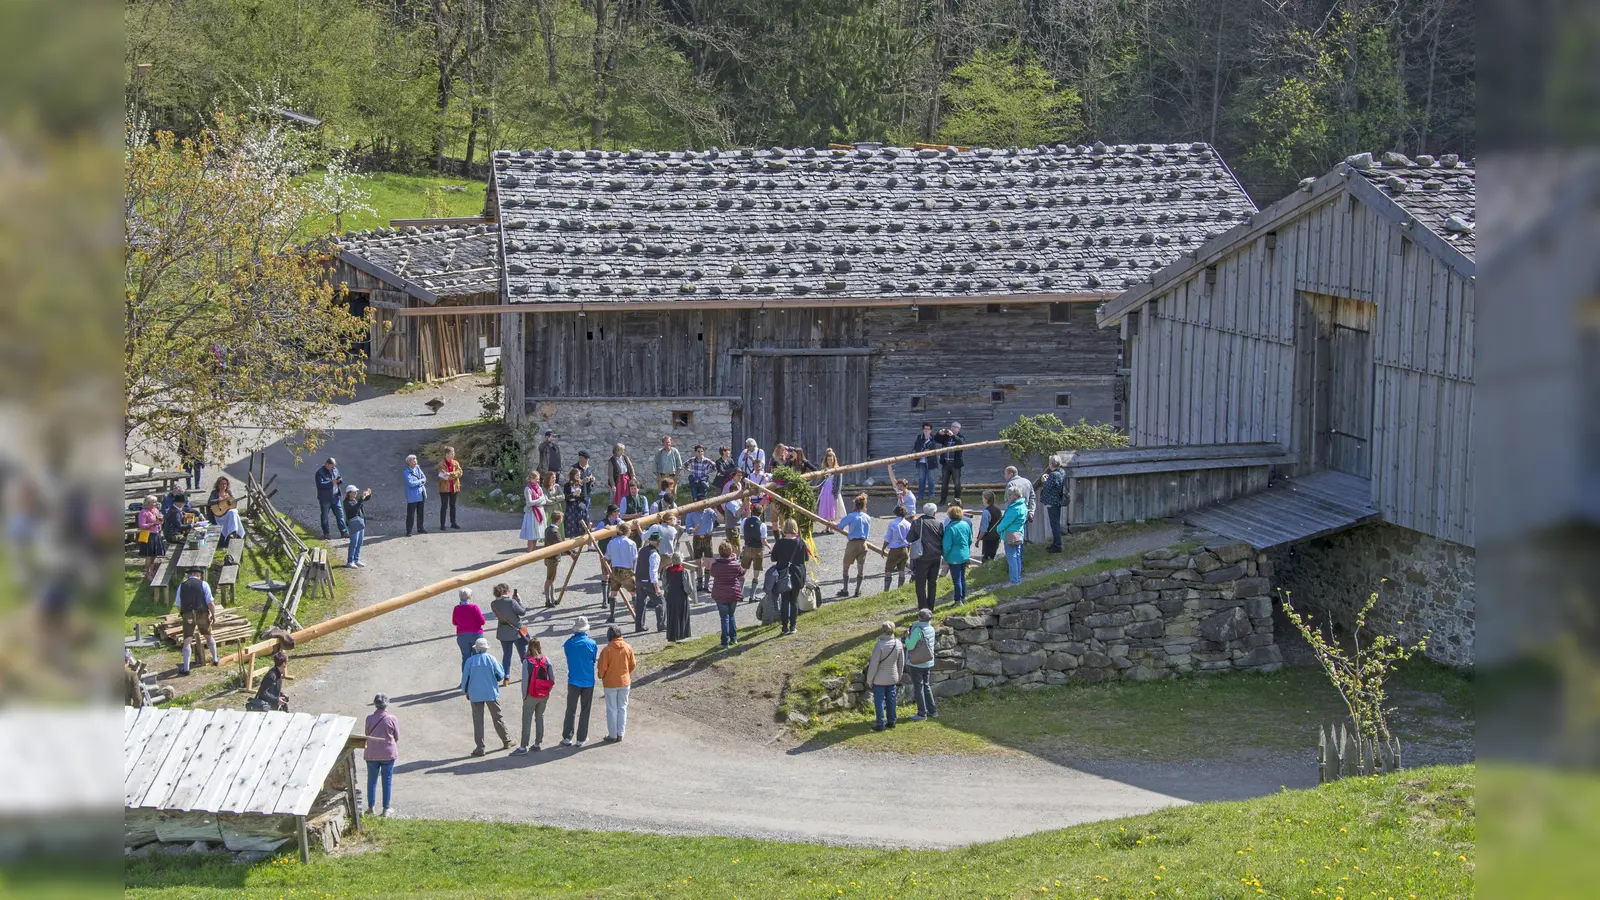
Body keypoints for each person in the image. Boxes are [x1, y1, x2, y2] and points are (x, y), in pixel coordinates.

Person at [460, 637, 511, 757]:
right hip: (490, 692)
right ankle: (506, 741)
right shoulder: (491, 659)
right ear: (486, 648)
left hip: (475, 694)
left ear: (476, 649)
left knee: (478, 721)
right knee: (498, 717)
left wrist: (466, 691)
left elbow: (465, 679)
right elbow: (500, 675)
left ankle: (480, 748)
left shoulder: (470, 661)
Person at [512, 638, 555, 755]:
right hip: (543, 694)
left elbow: (525, 681)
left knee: (527, 720)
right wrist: (547, 691)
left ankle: (523, 747)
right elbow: (552, 679)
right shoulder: (546, 660)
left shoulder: (527, 661)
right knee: (540, 717)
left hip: (531, 694)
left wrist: (524, 696)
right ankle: (537, 743)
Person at [561, 617, 598, 747]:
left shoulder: (568, 643)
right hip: (588, 680)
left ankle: (567, 736)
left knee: (570, 709)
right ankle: (581, 738)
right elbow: (593, 659)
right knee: (585, 709)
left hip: (573, 680)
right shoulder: (592, 643)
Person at [770, 519, 811, 636]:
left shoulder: (779, 543)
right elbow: (806, 558)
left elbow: (773, 558)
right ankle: (793, 626)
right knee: (794, 601)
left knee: (785, 600)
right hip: (797, 574)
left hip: (783, 575)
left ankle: (784, 627)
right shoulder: (801, 542)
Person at [174, 567, 218, 675]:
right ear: (197, 574)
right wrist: (213, 615)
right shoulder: (204, 584)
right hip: (202, 613)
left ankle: (186, 668)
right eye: (199, 574)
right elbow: (210, 602)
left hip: (188, 614)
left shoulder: (182, 586)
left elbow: (178, 604)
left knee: (187, 641)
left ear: (190, 574)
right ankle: (215, 659)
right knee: (208, 636)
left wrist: (183, 614)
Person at [597, 626, 636, 742]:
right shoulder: (628, 647)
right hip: (625, 682)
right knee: (622, 708)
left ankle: (612, 735)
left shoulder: (607, 650)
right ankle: (620, 733)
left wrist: (601, 676)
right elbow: (633, 664)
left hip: (610, 683)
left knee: (611, 709)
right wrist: (627, 674)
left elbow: (602, 669)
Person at [865, 622, 906, 732]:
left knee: (879, 701)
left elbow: (873, 665)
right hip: (892, 676)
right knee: (891, 699)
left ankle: (880, 723)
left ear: (882, 631)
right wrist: (899, 675)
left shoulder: (879, 645)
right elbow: (901, 662)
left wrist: (869, 679)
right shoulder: (898, 643)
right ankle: (892, 721)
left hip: (879, 678)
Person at [363, 694, 399, 816]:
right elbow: (396, 736)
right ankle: (385, 809)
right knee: (387, 781)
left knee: (371, 781)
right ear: (386, 704)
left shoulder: (369, 718)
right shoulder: (392, 718)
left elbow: (367, 733)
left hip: (372, 753)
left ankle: (371, 808)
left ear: (375, 704)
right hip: (388, 753)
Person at [834, 493, 873, 598]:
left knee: (846, 567)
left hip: (852, 544)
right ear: (864, 505)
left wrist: (832, 524)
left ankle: (845, 589)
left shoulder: (851, 516)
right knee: (860, 568)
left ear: (855, 505)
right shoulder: (868, 517)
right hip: (863, 544)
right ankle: (857, 590)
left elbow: (840, 527)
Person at [908, 503, 944, 612]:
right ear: (934, 513)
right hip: (936, 556)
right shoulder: (939, 524)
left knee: (920, 583)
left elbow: (909, 538)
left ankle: (923, 607)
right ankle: (931, 606)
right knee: (932, 582)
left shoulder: (917, 522)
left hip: (922, 556)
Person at [904, 609, 939, 721]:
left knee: (918, 687)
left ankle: (921, 713)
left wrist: (907, 637)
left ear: (919, 618)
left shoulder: (918, 630)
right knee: (926, 685)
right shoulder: (931, 628)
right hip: (928, 662)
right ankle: (932, 711)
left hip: (917, 664)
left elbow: (910, 646)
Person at [490, 583, 527, 682]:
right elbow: (522, 612)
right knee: (523, 654)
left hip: (503, 632)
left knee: (507, 655)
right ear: (506, 591)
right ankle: (528, 673)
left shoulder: (493, 604)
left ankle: (506, 677)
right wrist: (519, 601)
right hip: (516, 632)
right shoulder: (512, 602)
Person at [709, 541, 743, 647]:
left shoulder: (715, 565)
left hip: (720, 594)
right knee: (731, 615)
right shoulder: (735, 565)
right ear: (731, 552)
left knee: (724, 618)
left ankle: (724, 642)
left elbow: (712, 573)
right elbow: (741, 572)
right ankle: (734, 638)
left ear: (719, 552)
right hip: (733, 593)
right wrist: (735, 559)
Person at [633, 532, 665, 632]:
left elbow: (635, 565)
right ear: (658, 542)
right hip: (648, 581)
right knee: (661, 602)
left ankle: (639, 626)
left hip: (639, 579)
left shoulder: (642, 550)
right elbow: (653, 571)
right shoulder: (654, 554)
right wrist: (656, 587)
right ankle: (661, 625)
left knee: (640, 603)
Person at [942, 504, 973, 606]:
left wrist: (945, 556)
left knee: (956, 580)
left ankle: (957, 600)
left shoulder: (950, 528)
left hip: (953, 557)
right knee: (962, 578)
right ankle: (963, 597)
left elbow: (947, 545)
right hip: (964, 555)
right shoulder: (966, 524)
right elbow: (970, 540)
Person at [998, 486, 1030, 585]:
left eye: (1010, 495)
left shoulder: (1014, 508)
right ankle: (1018, 578)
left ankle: (1014, 581)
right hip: (1019, 534)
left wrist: (998, 529)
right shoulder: (1023, 506)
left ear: (1014, 496)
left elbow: (1005, 522)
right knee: (1018, 557)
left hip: (1010, 536)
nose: (1009, 497)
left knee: (1012, 559)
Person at [1037, 458, 1069, 553]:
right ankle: (1056, 543)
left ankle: (1057, 546)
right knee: (1056, 523)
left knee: (1054, 525)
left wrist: (1044, 480)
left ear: (1051, 464)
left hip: (1052, 502)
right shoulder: (1062, 472)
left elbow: (1047, 487)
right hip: (1058, 500)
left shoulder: (1053, 475)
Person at [737, 502, 769, 594]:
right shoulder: (762, 525)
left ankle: (739, 593)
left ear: (751, 511)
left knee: (743, 570)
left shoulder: (745, 521)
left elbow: (742, 532)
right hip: (758, 549)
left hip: (747, 547)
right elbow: (763, 540)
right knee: (756, 571)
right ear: (761, 513)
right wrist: (768, 545)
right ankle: (752, 596)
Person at [662, 553, 694, 642]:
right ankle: (683, 635)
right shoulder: (683, 571)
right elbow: (688, 587)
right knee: (682, 616)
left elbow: (664, 585)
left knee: (672, 616)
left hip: (671, 596)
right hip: (681, 596)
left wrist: (669, 590)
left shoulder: (666, 571)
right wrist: (688, 593)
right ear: (681, 560)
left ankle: (672, 636)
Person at [686, 504, 718, 591]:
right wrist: (694, 529)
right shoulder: (691, 513)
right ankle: (699, 584)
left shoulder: (709, 510)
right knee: (698, 562)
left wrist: (716, 509)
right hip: (697, 538)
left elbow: (718, 518)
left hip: (708, 537)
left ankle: (707, 585)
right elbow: (688, 529)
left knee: (708, 562)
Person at [519, 468, 550, 552]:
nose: (538, 481)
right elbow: (529, 503)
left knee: (536, 535)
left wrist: (539, 501)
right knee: (531, 535)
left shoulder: (539, 488)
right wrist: (539, 500)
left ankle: (533, 553)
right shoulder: (528, 489)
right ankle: (529, 553)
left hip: (539, 512)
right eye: (536, 479)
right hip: (531, 514)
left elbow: (544, 500)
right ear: (531, 479)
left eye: (538, 479)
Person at [881, 505, 912, 591]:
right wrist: (908, 549)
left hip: (894, 550)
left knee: (888, 569)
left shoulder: (893, 524)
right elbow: (910, 539)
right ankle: (900, 589)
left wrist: (883, 549)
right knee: (901, 569)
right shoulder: (908, 524)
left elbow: (888, 538)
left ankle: (886, 590)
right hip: (904, 549)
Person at [452, 588, 486, 664]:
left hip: (462, 636)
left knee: (465, 657)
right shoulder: (474, 607)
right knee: (477, 657)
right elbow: (482, 621)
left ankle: (466, 675)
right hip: (476, 635)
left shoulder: (456, 608)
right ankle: (476, 675)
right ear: (469, 597)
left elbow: (454, 622)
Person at [206, 476, 244, 545]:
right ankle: (233, 533)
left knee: (233, 512)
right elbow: (210, 502)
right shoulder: (214, 492)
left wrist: (231, 503)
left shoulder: (228, 492)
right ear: (218, 484)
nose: (223, 485)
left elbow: (232, 503)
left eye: (225, 484)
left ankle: (233, 532)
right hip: (219, 514)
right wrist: (220, 499)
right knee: (233, 513)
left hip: (228, 514)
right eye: (222, 484)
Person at [315, 458, 346, 539]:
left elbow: (340, 478)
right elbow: (320, 485)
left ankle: (344, 532)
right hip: (325, 498)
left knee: (340, 515)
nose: (333, 469)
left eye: (334, 467)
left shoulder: (335, 470)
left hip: (335, 496)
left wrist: (339, 481)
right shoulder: (319, 473)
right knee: (325, 516)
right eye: (331, 467)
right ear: (327, 465)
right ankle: (326, 533)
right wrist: (331, 482)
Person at [935, 422, 966, 504]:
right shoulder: (946, 437)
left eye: (954, 427)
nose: (952, 428)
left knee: (957, 483)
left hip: (955, 464)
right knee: (944, 483)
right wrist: (939, 433)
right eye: (952, 426)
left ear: (958, 429)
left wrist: (952, 435)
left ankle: (957, 501)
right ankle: (942, 501)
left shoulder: (961, 437)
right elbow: (936, 439)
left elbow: (961, 443)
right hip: (946, 463)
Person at [343, 485, 372, 568]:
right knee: (354, 543)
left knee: (359, 542)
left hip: (360, 523)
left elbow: (364, 499)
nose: (356, 493)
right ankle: (350, 561)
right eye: (354, 492)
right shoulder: (346, 502)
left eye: (356, 491)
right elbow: (354, 510)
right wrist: (361, 499)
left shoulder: (355, 500)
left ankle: (356, 559)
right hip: (354, 524)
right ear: (349, 493)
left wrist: (367, 495)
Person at [136, 495, 163, 579]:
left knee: (155, 554)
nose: (155, 504)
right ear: (148, 503)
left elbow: (159, 520)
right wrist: (152, 524)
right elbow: (141, 525)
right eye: (153, 502)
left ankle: (152, 569)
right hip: (148, 535)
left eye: (155, 502)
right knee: (149, 555)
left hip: (156, 533)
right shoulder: (143, 512)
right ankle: (147, 572)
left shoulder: (155, 510)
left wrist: (161, 521)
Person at [437, 446, 463, 530]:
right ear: (447, 454)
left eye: (453, 453)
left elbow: (460, 472)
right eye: (452, 453)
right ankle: (442, 524)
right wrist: (452, 476)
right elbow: (442, 476)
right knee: (444, 506)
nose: (453, 454)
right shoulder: (441, 464)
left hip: (454, 487)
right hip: (444, 488)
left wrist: (450, 474)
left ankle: (453, 522)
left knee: (453, 505)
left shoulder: (455, 463)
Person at [402, 455, 428, 536]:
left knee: (420, 513)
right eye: (414, 460)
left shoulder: (417, 468)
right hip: (412, 496)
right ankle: (409, 530)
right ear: (409, 462)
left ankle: (420, 528)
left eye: (416, 459)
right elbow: (411, 483)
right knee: (411, 514)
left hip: (421, 494)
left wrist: (419, 481)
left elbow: (424, 477)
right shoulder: (406, 472)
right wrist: (420, 481)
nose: (416, 461)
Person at [912, 422, 937, 502]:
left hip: (931, 461)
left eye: (928, 429)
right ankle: (920, 495)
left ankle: (932, 495)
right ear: (923, 429)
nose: (926, 431)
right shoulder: (919, 437)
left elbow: (933, 447)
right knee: (921, 479)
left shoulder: (933, 437)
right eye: (925, 429)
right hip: (921, 461)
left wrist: (928, 440)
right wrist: (923, 449)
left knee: (931, 479)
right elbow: (917, 447)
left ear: (930, 430)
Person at [815, 448, 842, 521]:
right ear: (826, 460)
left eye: (831, 460)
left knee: (832, 507)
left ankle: (831, 526)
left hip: (832, 491)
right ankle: (827, 525)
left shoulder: (837, 469)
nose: (830, 461)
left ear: (834, 460)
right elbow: (821, 481)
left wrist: (837, 492)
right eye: (828, 460)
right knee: (825, 507)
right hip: (825, 490)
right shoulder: (825, 469)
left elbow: (839, 482)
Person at [563, 467, 590, 538]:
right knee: (572, 525)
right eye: (577, 475)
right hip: (570, 507)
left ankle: (585, 540)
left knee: (582, 524)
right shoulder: (567, 485)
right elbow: (566, 497)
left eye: (579, 475)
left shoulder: (581, 484)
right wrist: (573, 495)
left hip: (579, 506)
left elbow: (584, 496)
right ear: (572, 475)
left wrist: (574, 497)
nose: (579, 477)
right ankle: (572, 543)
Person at [977, 490, 1003, 563]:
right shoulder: (998, 510)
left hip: (988, 538)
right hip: (997, 536)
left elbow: (984, 529)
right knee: (992, 556)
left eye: (983, 498)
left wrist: (978, 540)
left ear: (986, 499)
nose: (982, 500)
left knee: (986, 558)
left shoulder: (986, 512)